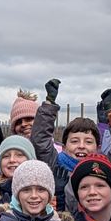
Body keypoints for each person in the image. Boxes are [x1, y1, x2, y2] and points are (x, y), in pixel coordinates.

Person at [31, 78, 100, 211]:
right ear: (63, 147)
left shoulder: (100, 170)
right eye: (74, 141)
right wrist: (49, 104)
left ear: (97, 148)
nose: (81, 146)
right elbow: (40, 141)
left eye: (88, 141)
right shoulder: (55, 165)